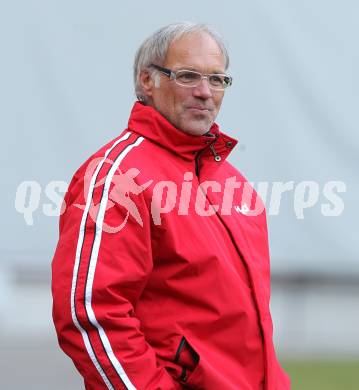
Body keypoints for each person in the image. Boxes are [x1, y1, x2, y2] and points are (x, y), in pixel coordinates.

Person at [52, 22, 290, 390]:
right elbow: (89, 312)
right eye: (187, 76)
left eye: (217, 79)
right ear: (148, 80)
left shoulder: (233, 184)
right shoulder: (118, 178)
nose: (204, 92)